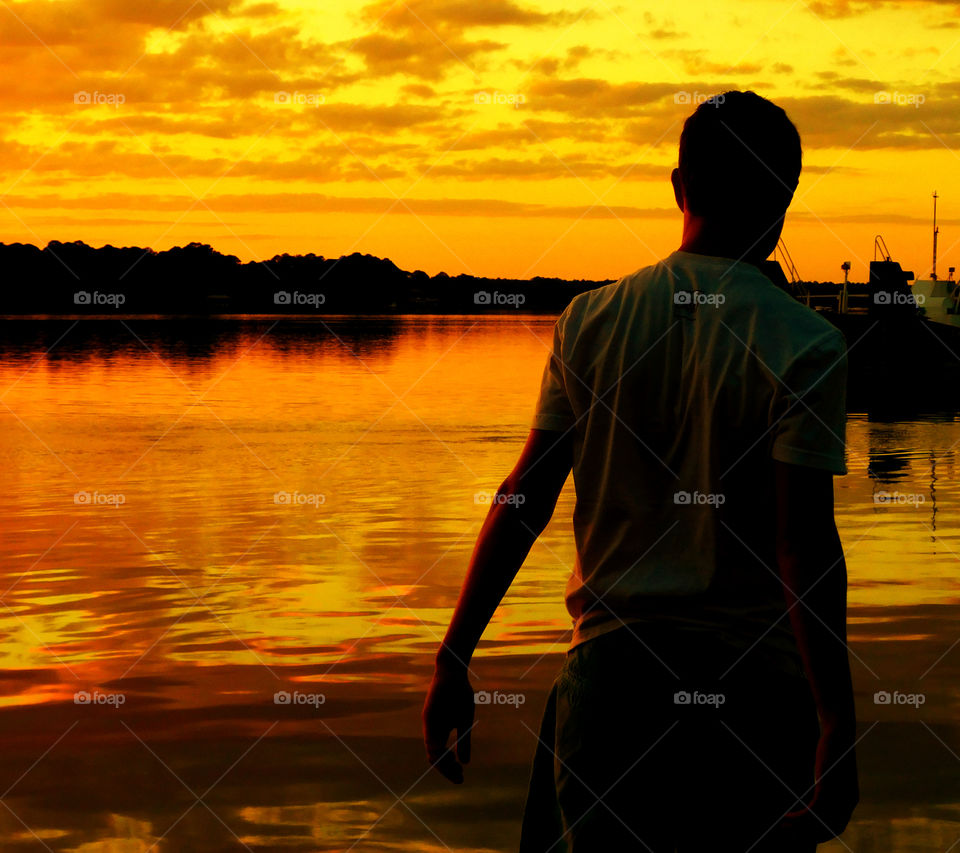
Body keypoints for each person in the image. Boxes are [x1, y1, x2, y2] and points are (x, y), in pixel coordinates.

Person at [422, 90, 859, 851]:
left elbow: (524, 497)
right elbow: (803, 547)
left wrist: (455, 653)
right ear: (786, 196)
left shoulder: (590, 321)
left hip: (611, 685)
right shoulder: (806, 342)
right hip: (754, 689)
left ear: (678, 187)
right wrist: (835, 721)